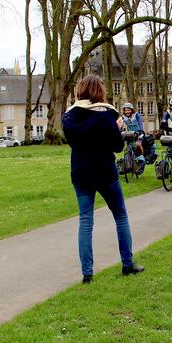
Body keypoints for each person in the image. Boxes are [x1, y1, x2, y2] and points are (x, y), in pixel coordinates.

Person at [62, 74, 144, 284]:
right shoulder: (107, 115)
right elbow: (117, 146)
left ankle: (87, 274)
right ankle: (127, 264)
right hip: (105, 172)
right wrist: (115, 128)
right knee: (120, 216)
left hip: (81, 172)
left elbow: (74, 142)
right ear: (100, 91)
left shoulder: (69, 117)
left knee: (86, 221)